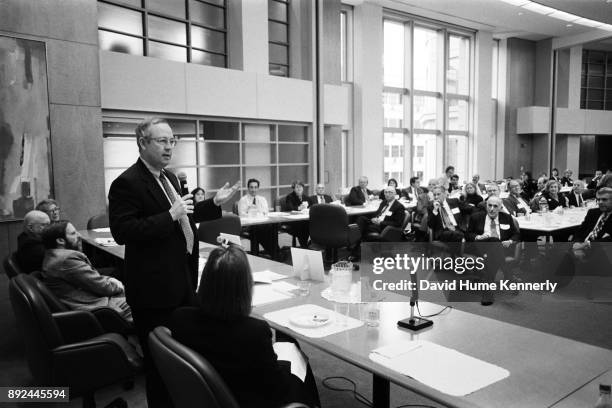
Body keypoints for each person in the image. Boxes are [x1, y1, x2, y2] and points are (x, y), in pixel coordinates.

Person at [108, 117, 239, 408]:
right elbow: (123, 231)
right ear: (143, 143)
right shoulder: (126, 183)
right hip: (154, 292)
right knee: (159, 366)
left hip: (182, 282)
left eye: (172, 141)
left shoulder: (168, 177)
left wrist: (214, 204)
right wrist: (168, 215)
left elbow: (185, 215)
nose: (169, 147)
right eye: (162, 141)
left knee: (180, 358)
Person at [170, 245, 320, 408]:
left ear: (205, 281)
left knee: (286, 340)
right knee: (293, 353)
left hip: (208, 393)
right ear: (245, 287)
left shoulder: (180, 317)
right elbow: (277, 388)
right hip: (247, 399)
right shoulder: (254, 332)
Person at [39, 221, 132, 323]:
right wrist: (118, 286)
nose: (79, 235)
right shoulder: (66, 260)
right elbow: (102, 287)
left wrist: (109, 279)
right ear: (60, 240)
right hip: (101, 308)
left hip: (91, 302)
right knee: (145, 302)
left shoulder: (52, 255)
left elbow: (90, 279)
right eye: (73, 233)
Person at [466, 196, 520, 305]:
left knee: (493, 250)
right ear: (486, 206)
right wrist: (477, 237)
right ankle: (508, 276)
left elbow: (516, 234)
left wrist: (510, 241)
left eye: (495, 206)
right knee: (494, 242)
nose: (491, 209)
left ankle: (488, 293)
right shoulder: (476, 217)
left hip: (501, 248)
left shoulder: (507, 217)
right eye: (489, 205)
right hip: (480, 247)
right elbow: (468, 234)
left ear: (500, 208)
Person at [236, 178, 278, 256]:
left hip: (261, 224)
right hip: (249, 226)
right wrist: (253, 212)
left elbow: (266, 213)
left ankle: (274, 252)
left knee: (273, 227)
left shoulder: (262, 199)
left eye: (255, 187)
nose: (253, 189)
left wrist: (256, 213)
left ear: (258, 188)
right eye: (251, 187)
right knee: (260, 230)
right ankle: (274, 253)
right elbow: (242, 215)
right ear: (248, 188)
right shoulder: (243, 200)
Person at [285, 180, 310, 248]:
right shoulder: (290, 197)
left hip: (304, 220)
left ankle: (307, 245)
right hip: (293, 222)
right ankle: (304, 246)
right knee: (302, 227)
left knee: (309, 225)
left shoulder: (306, 197)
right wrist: (299, 208)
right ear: (293, 189)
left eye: (301, 187)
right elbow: (290, 208)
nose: (299, 189)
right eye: (297, 187)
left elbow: (311, 207)